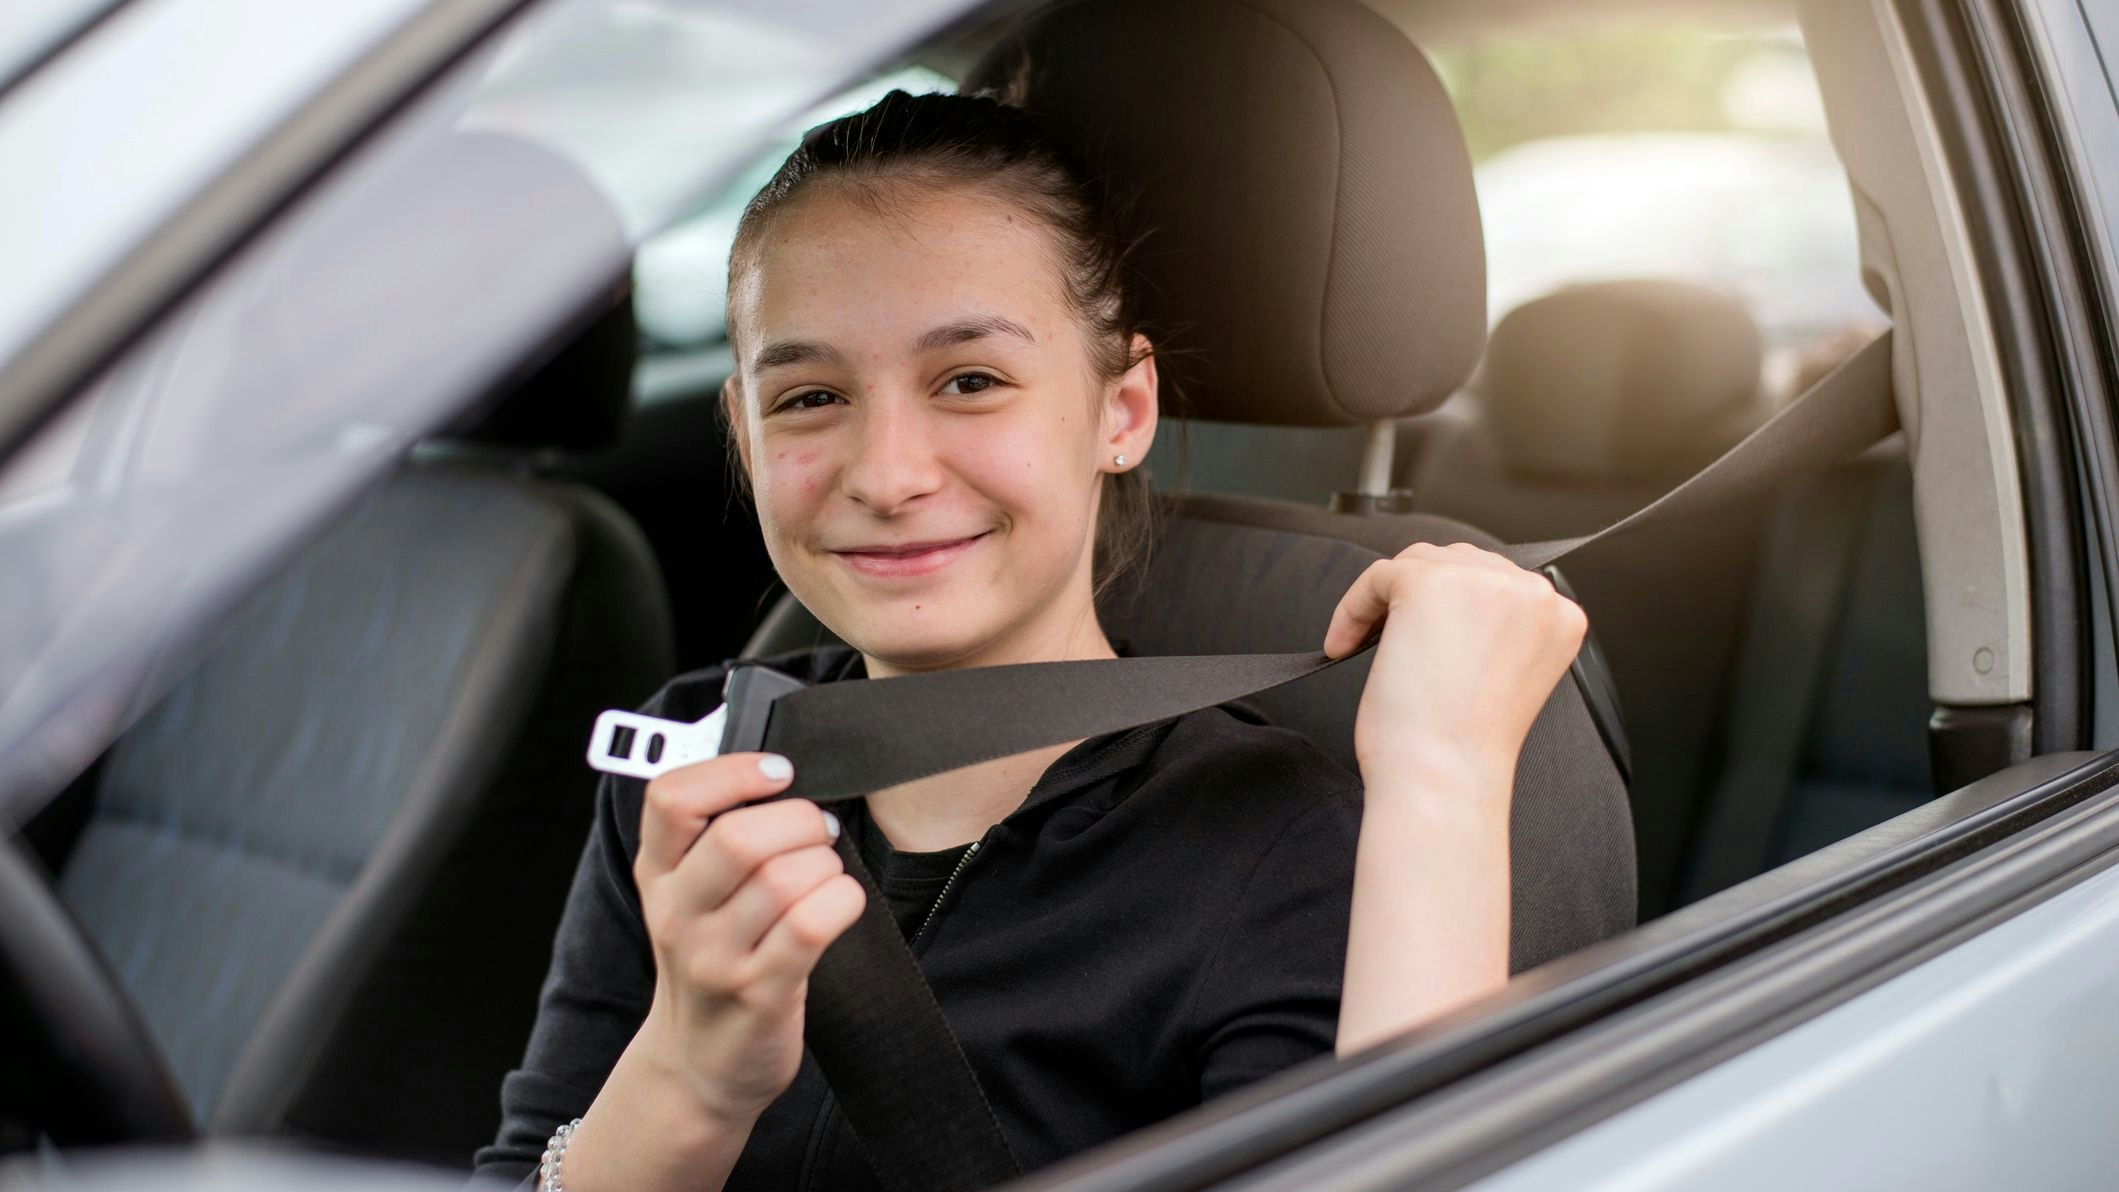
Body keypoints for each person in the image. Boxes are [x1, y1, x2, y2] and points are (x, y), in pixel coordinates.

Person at [474, 90, 1585, 1191]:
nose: (886, 475)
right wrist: (688, 1079)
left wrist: (1441, 771)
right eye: (809, 397)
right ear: (742, 431)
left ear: (1122, 412)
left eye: (970, 381)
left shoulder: (1268, 840)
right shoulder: (699, 764)